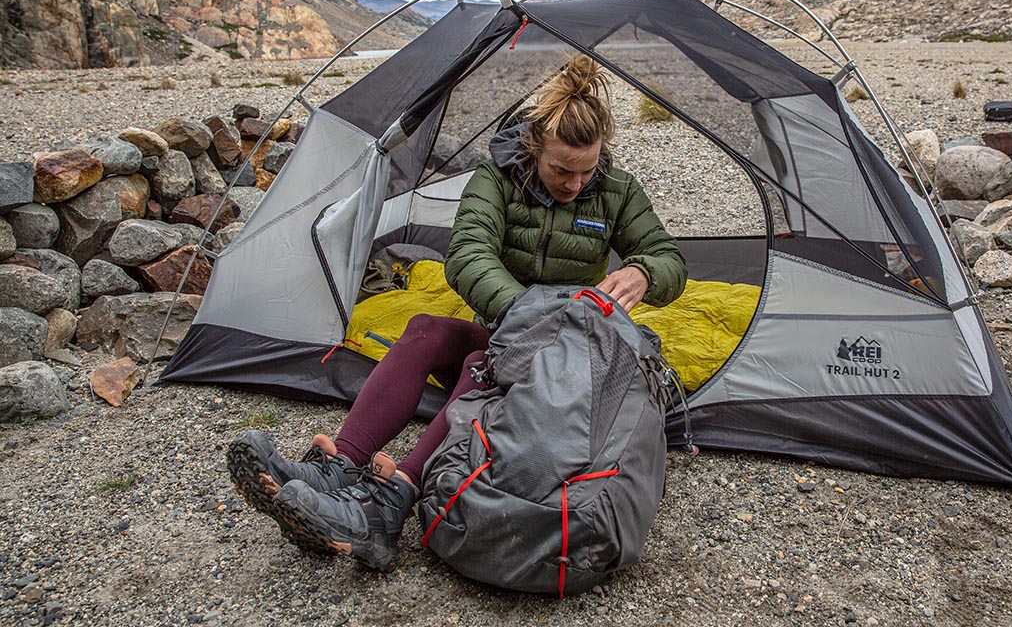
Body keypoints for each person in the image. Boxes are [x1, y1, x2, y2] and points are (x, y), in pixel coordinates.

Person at [227, 54, 687, 571]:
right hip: (509, 330)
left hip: (569, 358)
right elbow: (468, 254)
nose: (574, 184)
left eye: (586, 171)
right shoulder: (497, 179)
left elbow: (670, 259)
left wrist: (645, 272)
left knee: (480, 368)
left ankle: (388, 506)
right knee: (425, 329)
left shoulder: (618, 191)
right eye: (561, 169)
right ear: (533, 148)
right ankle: (338, 466)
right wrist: (522, 315)